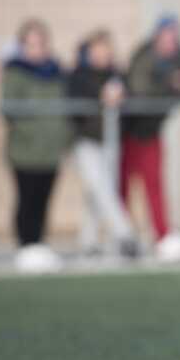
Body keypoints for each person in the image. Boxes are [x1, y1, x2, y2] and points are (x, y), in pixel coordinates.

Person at [2, 19, 72, 273]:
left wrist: (63, 137)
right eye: (31, 44)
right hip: (25, 150)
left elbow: (65, 107)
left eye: (40, 43)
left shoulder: (57, 72)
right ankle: (26, 245)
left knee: (44, 200)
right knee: (27, 199)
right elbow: (10, 109)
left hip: (51, 150)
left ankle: (39, 245)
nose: (37, 49)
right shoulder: (15, 72)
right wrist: (32, 132)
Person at [125, 15, 180, 261]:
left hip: (152, 131)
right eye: (167, 36)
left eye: (174, 37)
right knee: (121, 188)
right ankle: (123, 237)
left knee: (155, 185)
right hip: (127, 130)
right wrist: (170, 84)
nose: (171, 42)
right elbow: (140, 90)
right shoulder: (144, 55)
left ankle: (162, 236)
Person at [67, 29, 139, 257]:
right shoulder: (79, 75)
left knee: (97, 192)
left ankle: (88, 241)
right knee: (100, 187)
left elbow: (129, 96)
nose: (103, 53)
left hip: (111, 141)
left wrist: (121, 95)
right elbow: (78, 99)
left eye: (106, 48)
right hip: (86, 141)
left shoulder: (116, 75)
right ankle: (125, 233)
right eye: (98, 49)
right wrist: (101, 95)